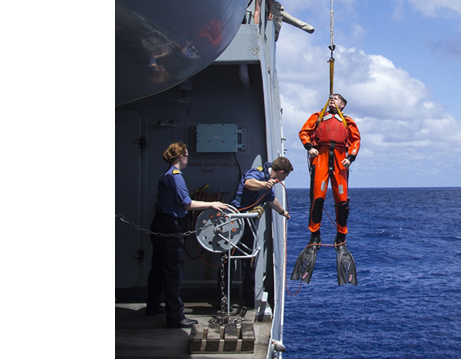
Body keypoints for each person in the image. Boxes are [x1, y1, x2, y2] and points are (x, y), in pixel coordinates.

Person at [146, 142, 232, 328]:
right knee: (173, 272)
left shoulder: (166, 175)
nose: (187, 158)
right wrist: (211, 204)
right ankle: (175, 317)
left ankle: (152, 306)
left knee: (158, 269)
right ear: (181, 157)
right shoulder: (176, 177)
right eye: (186, 155)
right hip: (170, 227)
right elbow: (186, 204)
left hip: (160, 224)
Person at [290, 93, 361, 285]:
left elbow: (355, 140)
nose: (332, 99)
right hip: (320, 157)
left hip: (340, 158)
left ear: (343, 104)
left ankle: (341, 237)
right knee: (317, 199)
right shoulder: (318, 117)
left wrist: (351, 157)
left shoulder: (347, 121)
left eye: (336, 98)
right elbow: (304, 132)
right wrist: (308, 147)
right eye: (331, 97)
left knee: (342, 201)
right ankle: (315, 235)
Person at [221, 157, 293, 308]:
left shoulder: (269, 185)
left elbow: (271, 200)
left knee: (249, 261)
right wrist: (264, 185)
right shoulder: (258, 174)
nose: (284, 179)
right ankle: (223, 300)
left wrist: (283, 212)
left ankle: (247, 299)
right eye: (284, 176)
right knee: (229, 261)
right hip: (235, 221)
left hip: (248, 224)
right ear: (280, 172)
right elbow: (248, 183)